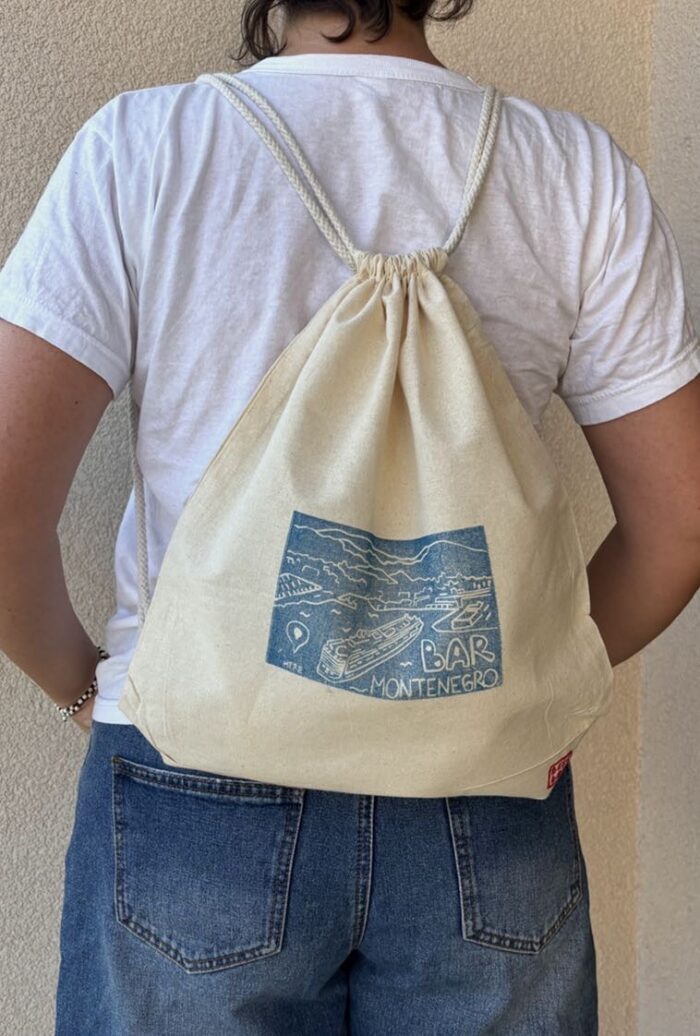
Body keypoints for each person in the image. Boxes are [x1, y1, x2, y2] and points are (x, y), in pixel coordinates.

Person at [0, 0, 698, 1032]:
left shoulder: (148, 147)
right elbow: (678, 530)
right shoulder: (577, 174)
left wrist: (82, 688)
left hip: (195, 768)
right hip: (487, 791)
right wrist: (533, 673)